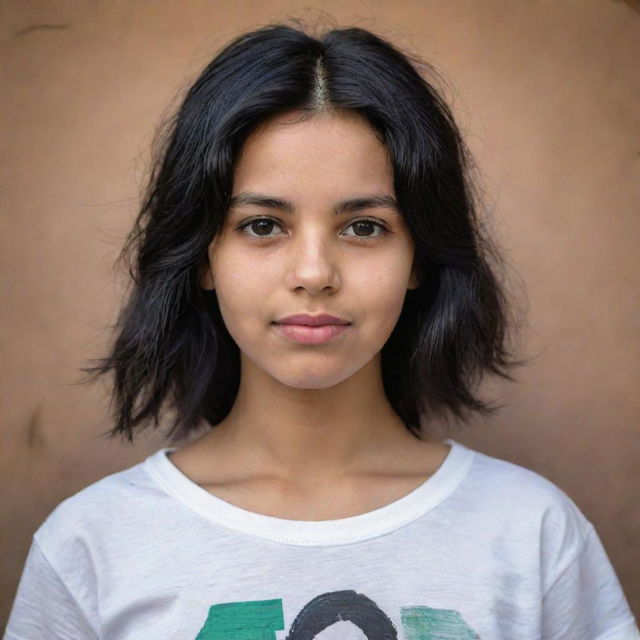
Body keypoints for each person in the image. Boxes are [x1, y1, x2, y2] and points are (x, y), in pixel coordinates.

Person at [4, 21, 639, 640]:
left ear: (418, 256)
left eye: (363, 226)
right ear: (202, 255)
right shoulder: (92, 546)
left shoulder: (533, 535)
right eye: (262, 225)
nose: (313, 273)